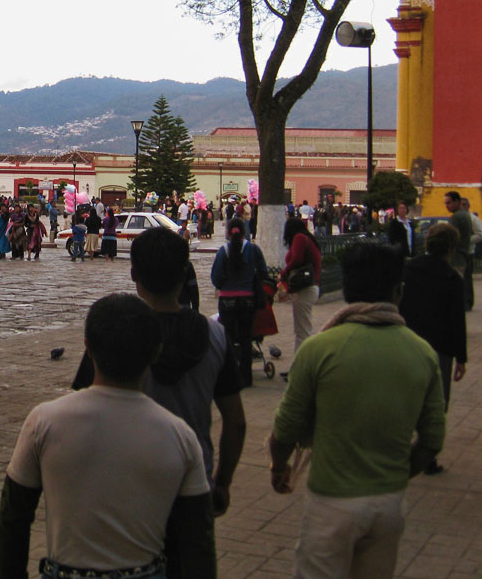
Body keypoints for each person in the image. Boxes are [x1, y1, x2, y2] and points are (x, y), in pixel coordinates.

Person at [0, 293, 217, 579]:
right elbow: (198, 541)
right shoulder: (179, 435)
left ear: (88, 348)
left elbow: (13, 519)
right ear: (156, 352)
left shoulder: (45, 422)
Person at [270, 243, 446, 579]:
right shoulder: (422, 353)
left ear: (347, 289)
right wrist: (396, 473)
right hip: (388, 504)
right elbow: (433, 439)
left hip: (331, 501)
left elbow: (286, 428)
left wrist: (280, 467)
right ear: (399, 292)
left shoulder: (318, 349)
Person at [71, 228, 245, 518]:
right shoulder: (215, 335)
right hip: (193, 478)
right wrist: (223, 482)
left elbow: (82, 412)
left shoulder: (114, 330)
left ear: (134, 275)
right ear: (184, 274)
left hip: (126, 480)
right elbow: (236, 421)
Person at [398, 222, 467, 476]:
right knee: (436, 404)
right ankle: (427, 456)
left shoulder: (407, 269)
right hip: (440, 348)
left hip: (407, 342)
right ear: (450, 249)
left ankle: (397, 449)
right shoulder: (452, 278)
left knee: (406, 399)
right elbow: (457, 320)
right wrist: (461, 357)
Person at [210, 217, 269, 389]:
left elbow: (215, 278)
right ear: (244, 232)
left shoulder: (223, 251)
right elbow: (264, 272)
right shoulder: (253, 250)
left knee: (228, 338)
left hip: (227, 301)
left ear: (228, 233)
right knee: (245, 339)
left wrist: (224, 285)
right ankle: (246, 378)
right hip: (247, 300)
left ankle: (230, 377)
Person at [282, 216, 322, 371]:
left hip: (304, 289)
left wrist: (284, 273)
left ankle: (305, 368)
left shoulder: (299, 238)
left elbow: (297, 260)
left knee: (303, 331)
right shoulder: (308, 238)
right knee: (302, 329)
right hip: (311, 287)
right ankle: (298, 366)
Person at [444, 190, 475, 310]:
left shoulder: (456, 217)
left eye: (449, 203)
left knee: (453, 287)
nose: (447, 206)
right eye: (445, 203)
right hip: (462, 255)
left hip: (455, 257)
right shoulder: (465, 215)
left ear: (457, 202)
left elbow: (449, 237)